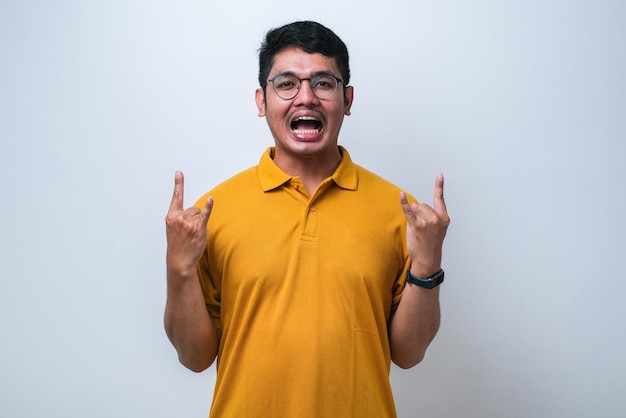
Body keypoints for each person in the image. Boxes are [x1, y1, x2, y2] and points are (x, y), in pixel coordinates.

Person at [164, 20, 450, 418]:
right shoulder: (213, 211)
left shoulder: (400, 212)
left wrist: (428, 263)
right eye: (286, 84)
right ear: (262, 100)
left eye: (323, 83)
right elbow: (194, 357)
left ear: (347, 100)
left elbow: (409, 354)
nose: (306, 98)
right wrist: (178, 267)